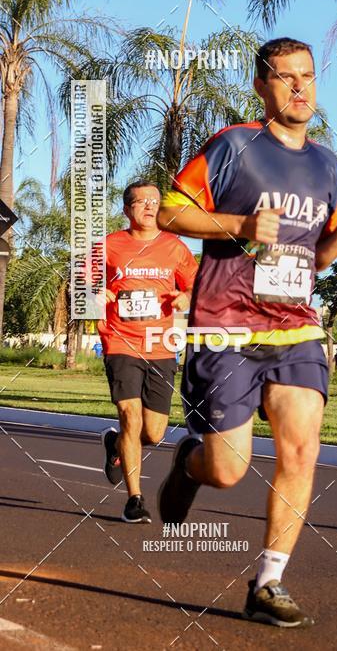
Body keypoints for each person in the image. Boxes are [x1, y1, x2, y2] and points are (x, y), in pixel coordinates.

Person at [156, 37, 337, 628]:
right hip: (225, 324)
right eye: (287, 78)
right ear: (262, 86)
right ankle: (189, 465)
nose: (301, 88)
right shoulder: (235, 146)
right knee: (228, 469)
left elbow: (320, 256)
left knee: (302, 449)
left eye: (308, 76)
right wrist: (239, 223)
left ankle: (268, 580)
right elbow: (169, 213)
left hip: (295, 326)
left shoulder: (329, 165)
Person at [96, 181, 198, 524]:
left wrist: (185, 296)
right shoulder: (109, 245)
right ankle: (134, 500)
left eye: (154, 201)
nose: (150, 206)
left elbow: (195, 282)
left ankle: (117, 446)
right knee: (129, 415)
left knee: (153, 432)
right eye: (141, 202)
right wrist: (97, 295)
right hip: (119, 340)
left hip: (160, 343)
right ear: (127, 209)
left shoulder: (174, 247)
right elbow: (82, 283)